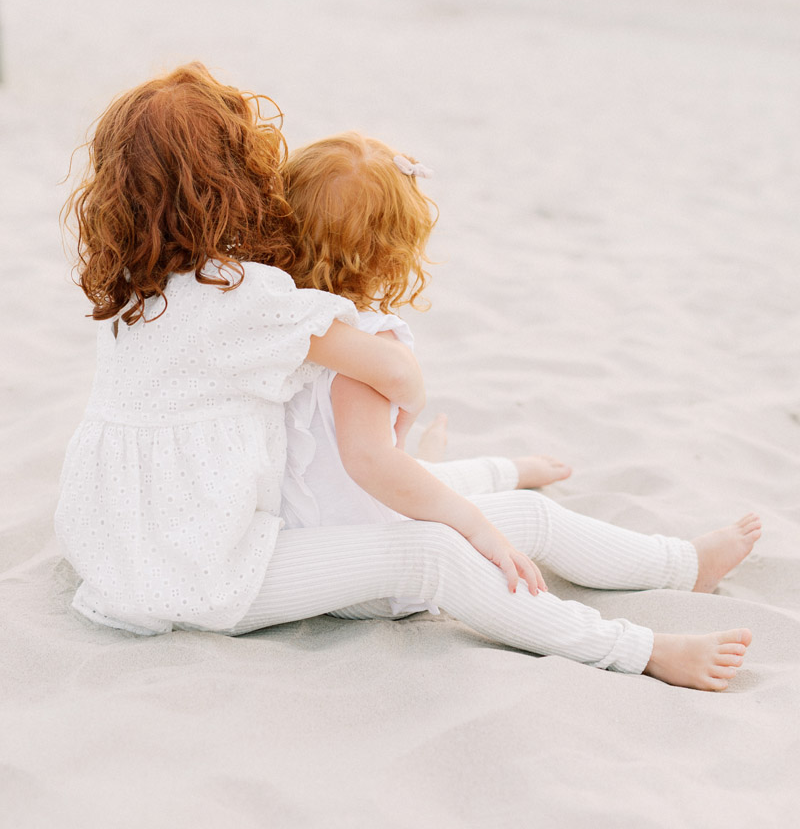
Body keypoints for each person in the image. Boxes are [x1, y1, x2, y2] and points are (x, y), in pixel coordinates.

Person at [245, 130, 760, 691]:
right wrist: (473, 525)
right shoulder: (366, 344)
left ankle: (647, 548)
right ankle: (666, 592)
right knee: (531, 523)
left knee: (482, 495)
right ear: (394, 253)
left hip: (320, 539)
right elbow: (372, 463)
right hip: (372, 574)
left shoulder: (285, 320)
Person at [55, 65, 426, 634]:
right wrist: (413, 395)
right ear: (237, 175)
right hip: (200, 566)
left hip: (104, 548)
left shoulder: (129, 285)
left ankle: (493, 470)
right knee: (434, 550)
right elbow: (391, 371)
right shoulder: (243, 296)